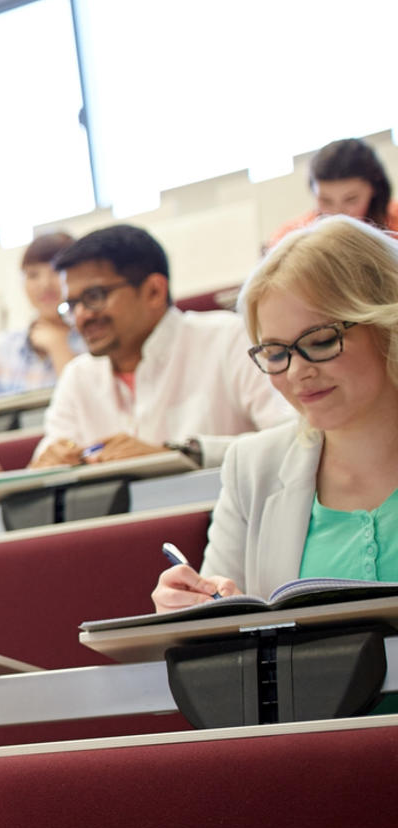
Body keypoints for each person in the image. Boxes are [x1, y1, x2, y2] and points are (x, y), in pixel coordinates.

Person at [154, 214, 398, 611]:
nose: (298, 371)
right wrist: (193, 610)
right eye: (276, 353)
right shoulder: (253, 467)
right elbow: (217, 624)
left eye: (320, 341)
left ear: (388, 323)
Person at [31, 224, 295, 469]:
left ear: (154, 292)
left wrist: (181, 455)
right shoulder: (78, 377)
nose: (81, 317)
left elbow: (294, 439)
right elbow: (46, 461)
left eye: (94, 297)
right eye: (72, 305)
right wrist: (51, 461)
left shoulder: (229, 339)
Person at [0, 231, 86, 403]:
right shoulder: (2, 348)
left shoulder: (91, 339)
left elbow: (87, 404)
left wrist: (59, 348)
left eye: (56, 271)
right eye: (33, 275)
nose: (45, 284)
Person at [268, 137, 398, 247]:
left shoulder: (395, 222)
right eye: (325, 200)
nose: (338, 212)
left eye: (351, 199)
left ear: (374, 188)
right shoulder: (291, 238)